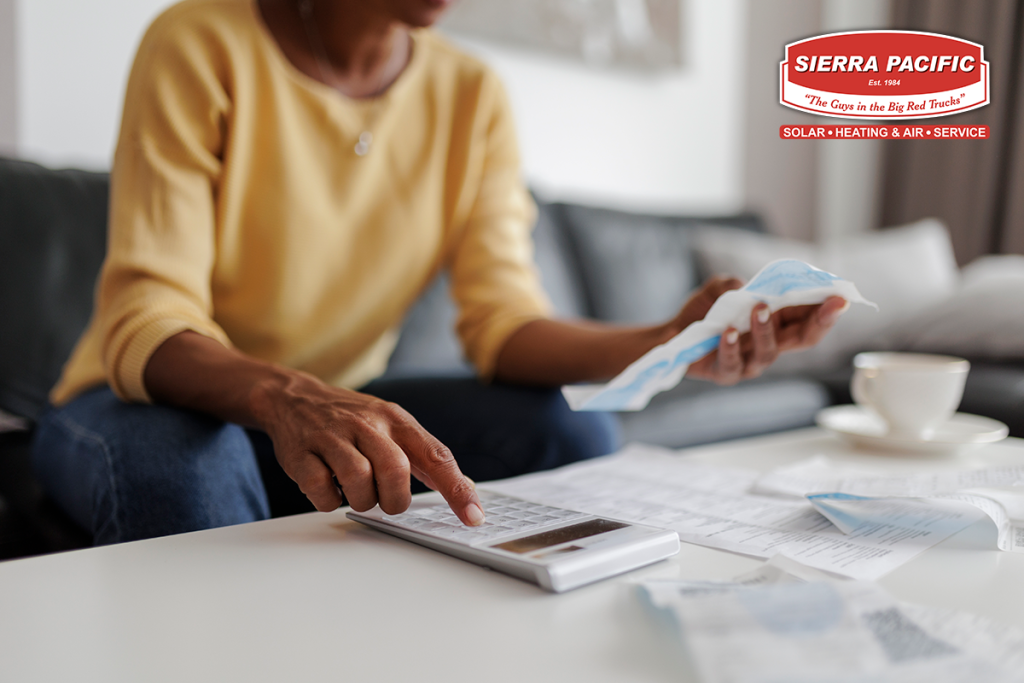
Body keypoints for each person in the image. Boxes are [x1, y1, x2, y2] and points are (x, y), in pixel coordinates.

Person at [31, 0, 847, 545]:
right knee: (192, 467)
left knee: (574, 429)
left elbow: (503, 324)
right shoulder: (199, 41)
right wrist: (286, 394)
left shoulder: (471, 94)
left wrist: (666, 341)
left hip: (332, 404)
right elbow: (149, 315)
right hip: (145, 394)